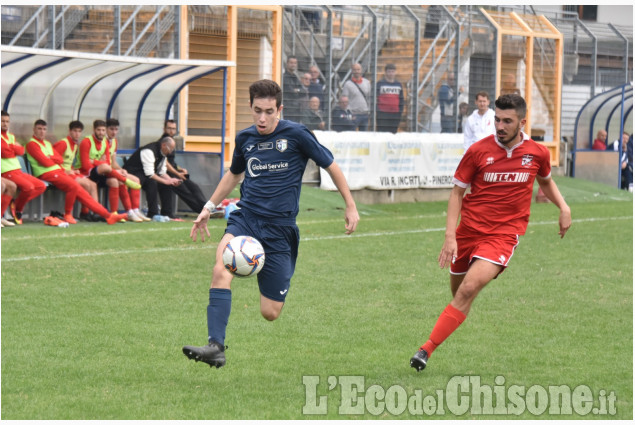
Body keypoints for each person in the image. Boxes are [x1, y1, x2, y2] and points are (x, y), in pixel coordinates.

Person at [183, 79, 360, 369]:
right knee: (220, 269)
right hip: (246, 219)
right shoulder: (245, 139)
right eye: (257, 111)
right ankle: (215, 346)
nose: (262, 118)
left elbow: (331, 165)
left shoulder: (297, 135)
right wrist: (208, 207)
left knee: (270, 312)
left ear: (280, 109)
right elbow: (233, 174)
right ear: (250, 108)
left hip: (280, 230)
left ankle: (258, 265)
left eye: (269, 111)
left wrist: (350, 205)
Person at [410, 94, 572, 372]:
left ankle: (425, 350)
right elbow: (457, 192)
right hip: (468, 232)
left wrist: (563, 206)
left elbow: (545, 181)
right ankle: (456, 314)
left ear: (522, 122)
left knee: (469, 289)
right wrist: (450, 236)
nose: (500, 125)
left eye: (507, 121)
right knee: (460, 293)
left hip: (503, 235)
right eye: (497, 119)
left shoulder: (537, 153)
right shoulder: (477, 151)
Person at [25, 119, 127, 225]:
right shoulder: (55, 143)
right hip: (50, 173)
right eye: (39, 129)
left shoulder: (50, 143)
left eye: (44, 129)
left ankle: (105, 215)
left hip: (59, 172)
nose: (42, 131)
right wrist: (59, 164)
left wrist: (63, 165)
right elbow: (48, 162)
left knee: (90, 185)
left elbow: (58, 159)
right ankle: (71, 214)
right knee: (79, 185)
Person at [76, 119, 142, 214]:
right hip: (87, 173)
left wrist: (121, 169)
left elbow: (110, 162)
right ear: (94, 130)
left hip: (103, 171)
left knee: (129, 180)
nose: (101, 132)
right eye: (99, 130)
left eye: (103, 130)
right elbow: (86, 165)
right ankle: (124, 181)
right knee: (107, 170)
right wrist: (100, 162)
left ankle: (131, 211)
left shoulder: (109, 142)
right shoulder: (86, 142)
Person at [1, 110, 47, 224]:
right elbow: (4, 153)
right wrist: (13, 148)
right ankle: (17, 210)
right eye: (2, 121)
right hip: (7, 171)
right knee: (29, 187)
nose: (5, 124)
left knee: (41, 186)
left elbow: (21, 150)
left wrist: (11, 148)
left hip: (17, 170)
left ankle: (16, 204)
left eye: (7, 121)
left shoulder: (10, 136)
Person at [53, 120, 103, 222]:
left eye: (79, 131)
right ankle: (84, 212)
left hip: (69, 172)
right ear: (69, 131)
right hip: (59, 173)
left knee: (92, 184)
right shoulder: (63, 143)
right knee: (86, 184)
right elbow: (53, 161)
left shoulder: (75, 145)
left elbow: (68, 162)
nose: (77, 134)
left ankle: (94, 212)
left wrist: (73, 170)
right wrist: (65, 171)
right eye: (75, 131)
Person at [122, 136, 182, 220]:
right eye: (170, 149)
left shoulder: (163, 154)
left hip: (144, 174)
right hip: (132, 172)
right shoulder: (149, 150)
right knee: (152, 182)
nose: (170, 152)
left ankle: (165, 213)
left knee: (165, 184)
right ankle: (138, 211)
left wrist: (171, 180)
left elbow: (161, 172)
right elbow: (150, 173)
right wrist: (166, 181)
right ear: (164, 145)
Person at [161, 120, 211, 218]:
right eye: (169, 128)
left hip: (174, 172)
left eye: (173, 129)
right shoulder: (163, 143)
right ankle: (202, 211)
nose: (171, 131)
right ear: (164, 129)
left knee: (194, 187)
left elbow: (171, 161)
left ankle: (206, 208)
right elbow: (164, 163)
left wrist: (180, 169)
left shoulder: (172, 142)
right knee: (185, 191)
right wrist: (177, 173)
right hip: (166, 173)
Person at [105, 118, 146, 222]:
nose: (114, 132)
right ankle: (128, 211)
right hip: (104, 172)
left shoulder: (114, 141)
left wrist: (121, 169)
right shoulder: (103, 141)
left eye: (116, 129)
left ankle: (135, 210)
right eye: (111, 129)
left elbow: (113, 162)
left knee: (136, 180)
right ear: (106, 129)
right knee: (119, 180)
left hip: (113, 170)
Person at [376, 63, 405, 134]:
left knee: (393, 134)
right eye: (389, 71)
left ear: (395, 72)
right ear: (385, 72)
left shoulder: (398, 84)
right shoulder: (380, 84)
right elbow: (375, 98)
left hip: (395, 114)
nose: (391, 73)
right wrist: (378, 111)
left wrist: (400, 111)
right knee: (382, 133)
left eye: (392, 71)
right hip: (382, 114)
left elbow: (401, 99)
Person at [341, 62, 371, 131]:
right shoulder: (347, 84)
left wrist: (369, 111)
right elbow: (344, 100)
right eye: (355, 70)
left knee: (363, 136)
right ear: (352, 71)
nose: (356, 71)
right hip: (353, 114)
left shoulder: (367, 83)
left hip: (365, 114)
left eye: (358, 69)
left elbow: (369, 98)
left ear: (361, 70)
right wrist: (348, 114)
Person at [282, 56, 303, 123]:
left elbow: (303, 91)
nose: (293, 65)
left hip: (296, 109)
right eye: (291, 63)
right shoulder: (284, 77)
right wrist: (297, 91)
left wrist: (297, 90)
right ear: (287, 63)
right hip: (288, 108)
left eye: (295, 63)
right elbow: (291, 91)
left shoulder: (295, 77)